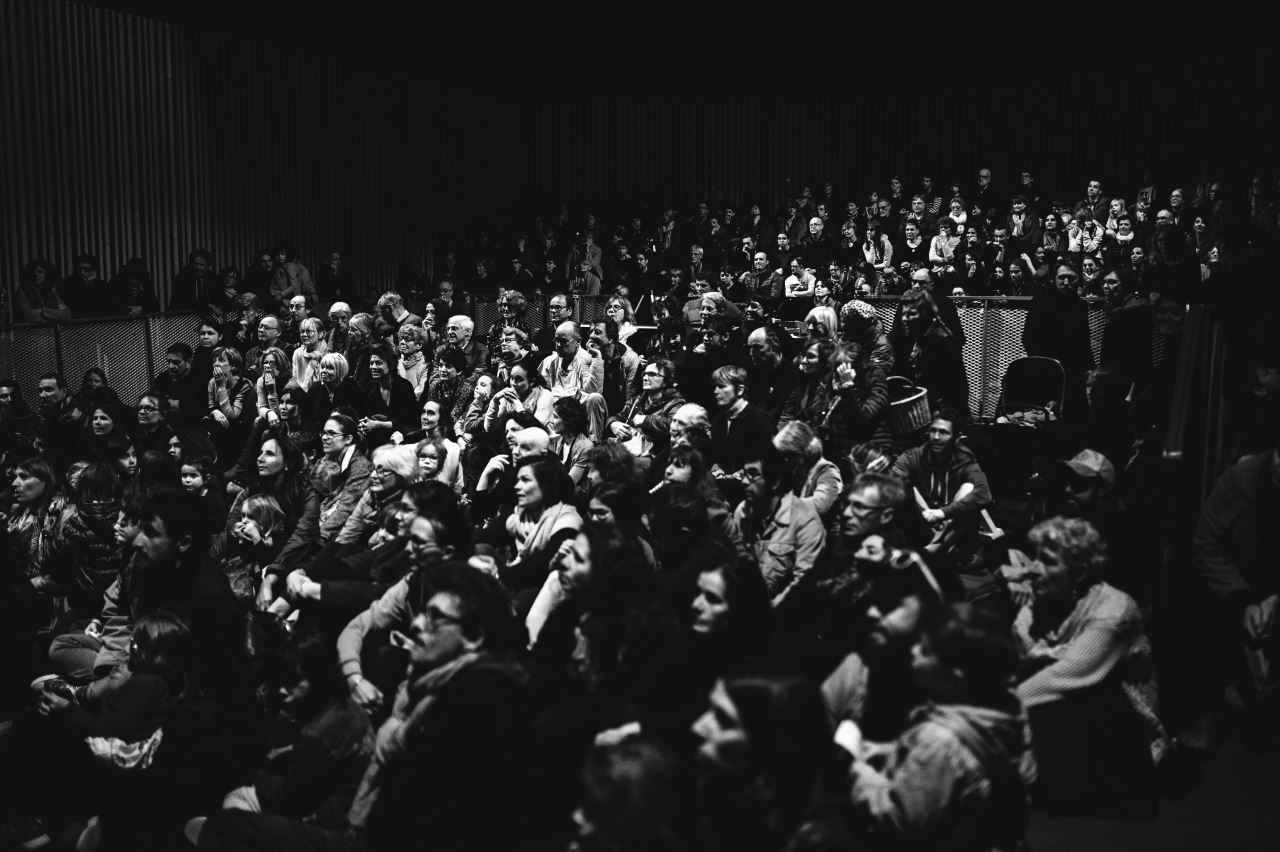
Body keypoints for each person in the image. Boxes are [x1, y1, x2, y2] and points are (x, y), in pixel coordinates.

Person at [847, 603, 1034, 850]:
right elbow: (959, 769)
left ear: (952, 679)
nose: (913, 651)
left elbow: (900, 819)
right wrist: (887, 751)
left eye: (924, 650)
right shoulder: (1004, 711)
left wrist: (857, 770)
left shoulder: (938, 740)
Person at [1012, 516, 1163, 817]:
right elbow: (1025, 656)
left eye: (1048, 562)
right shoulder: (1040, 605)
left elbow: (1065, 676)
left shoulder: (1114, 611)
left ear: (1079, 573)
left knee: (1062, 692)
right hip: (1068, 705)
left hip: (1122, 724)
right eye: (1035, 558)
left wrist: (995, 712)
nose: (1033, 569)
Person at [691, 674, 833, 852]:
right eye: (708, 710)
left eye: (723, 720)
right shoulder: (724, 799)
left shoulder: (816, 843)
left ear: (772, 743)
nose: (697, 727)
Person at [891, 408, 992, 556]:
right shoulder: (914, 456)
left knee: (969, 489)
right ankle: (940, 551)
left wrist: (942, 513)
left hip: (952, 527)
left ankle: (934, 551)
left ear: (956, 437)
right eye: (933, 430)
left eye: (943, 432)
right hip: (923, 522)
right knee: (903, 486)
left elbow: (984, 494)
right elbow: (892, 479)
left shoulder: (965, 459)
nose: (936, 437)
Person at [732, 449, 825, 607]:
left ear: (775, 482)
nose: (744, 482)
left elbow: (802, 587)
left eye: (753, 474)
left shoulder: (806, 521)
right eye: (743, 474)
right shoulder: (742, 511)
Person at [1023, 261, 1095, 421]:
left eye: (1071, 278)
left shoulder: (1080, 306)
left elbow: (1084, 341)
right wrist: (1045, 366)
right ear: (1053, 279)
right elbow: (1029, 338)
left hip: (1073, 375)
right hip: (1046, 373)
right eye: (1062, 277)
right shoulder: (1040, 302)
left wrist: (1090, 369)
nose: (1067, 282)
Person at [539, 320, 608, 441]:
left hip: (578, 414)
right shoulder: (549, 362)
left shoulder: (586, 359)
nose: (559, 345)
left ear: (578, 341)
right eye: (557, 341)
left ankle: (594, 444)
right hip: (556, 413)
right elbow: (542, 391)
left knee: (595, 398)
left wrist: (597, 359)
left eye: (564, 341)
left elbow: (592, 391)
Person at [707, 365, 775, 476]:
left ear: (740, 390)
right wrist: (716, 470)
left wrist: (742, 474)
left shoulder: (760, 420)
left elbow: (768, 460)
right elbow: (713, 456)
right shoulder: (718, 420)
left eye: (721, 386)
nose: (715, 391)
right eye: (715, 386)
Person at [548, 397, 594, 487]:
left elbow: (569, 485)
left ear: (568, 420)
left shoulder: (585, 447)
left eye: (555, 417)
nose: (551, 421)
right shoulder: (554, 441)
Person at [15, 258, 71, 324]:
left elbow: (66, 314)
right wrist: (54, 317)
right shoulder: (22, 292)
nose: (36, 275)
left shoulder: (50, 292)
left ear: (47, 275)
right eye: (33, 272)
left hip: (49, 332)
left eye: (40, 272)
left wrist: (42, 311)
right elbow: (27, 317)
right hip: (31, 332)